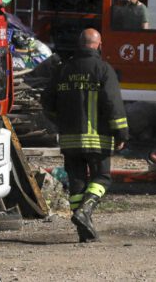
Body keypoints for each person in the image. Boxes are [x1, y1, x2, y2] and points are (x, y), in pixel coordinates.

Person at [41, 28, 129, 243]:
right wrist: (121, 132)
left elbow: (47, 102)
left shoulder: (62, 69)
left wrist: (60, 121)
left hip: (70, 139)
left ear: (80, 45)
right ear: (99, 45)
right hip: (98, 139)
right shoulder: (103, 69)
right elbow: (113, 104)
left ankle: (84, 231)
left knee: (77, 183)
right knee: (102, 177)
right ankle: (85, 212)